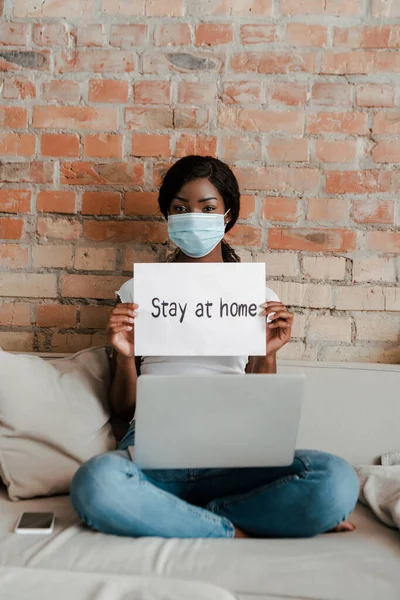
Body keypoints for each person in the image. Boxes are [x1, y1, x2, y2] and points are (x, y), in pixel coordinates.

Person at [70, 156, 360, 539]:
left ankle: (180, 518)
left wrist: (267, 352)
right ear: (168, 217)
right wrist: (124, 358)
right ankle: (229, 528)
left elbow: (262, 406)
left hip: (234, 455)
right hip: (155, 453)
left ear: (227, 215)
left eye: (207, 208)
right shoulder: (139, 293)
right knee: (96, 482)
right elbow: (124, 409)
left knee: (335, 480)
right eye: (180, 208)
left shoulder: (256, 296)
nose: (193, 216)